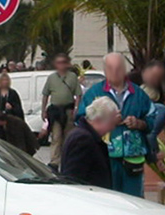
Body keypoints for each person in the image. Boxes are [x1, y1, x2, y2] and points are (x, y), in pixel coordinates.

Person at [77, 53, 152, 197]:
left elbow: (152, 119)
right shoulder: (93, 93)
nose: (115, 72)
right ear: (104, 70)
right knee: (109, 198)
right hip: (104, 155)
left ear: (125, 69)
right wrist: (106, 121)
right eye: (110, 68)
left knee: (133, 199)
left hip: (132, 157)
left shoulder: (138, 94)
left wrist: (139, 123)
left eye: (118, 68)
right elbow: (81, 120)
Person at [60, 96, 118, 189]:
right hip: (88, 198)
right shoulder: (83, 140)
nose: (112, 128)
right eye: (111, 123)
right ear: (99, 120)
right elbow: (73, 178)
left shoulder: (83, 135)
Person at [40, 54, 81, 170]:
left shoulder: (72, 77)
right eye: (59, 62)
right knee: (56, 137)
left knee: (69, 137)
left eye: (63, 62)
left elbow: (78, 94)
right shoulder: (51, 78)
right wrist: (43, 111)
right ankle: (54, 162)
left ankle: (68, 160)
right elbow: (45, 94)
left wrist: (76, 109)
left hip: (68, 111)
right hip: (55, 112)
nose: (61, 65)